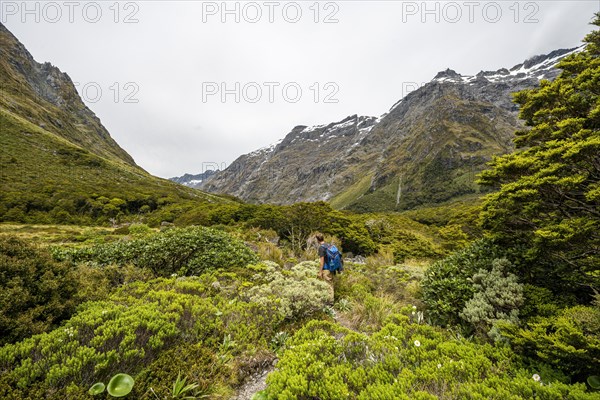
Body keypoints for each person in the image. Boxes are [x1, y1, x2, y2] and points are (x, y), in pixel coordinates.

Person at [315, 233, 335, 299]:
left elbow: (322, 262)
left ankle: (328, 303)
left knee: (326, 286)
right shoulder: (328, 245)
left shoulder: (321, 248)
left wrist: (320, 272)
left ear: (317, 240)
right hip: (332, 268)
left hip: (326, 269)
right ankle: (331, 302)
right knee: (330, 286)